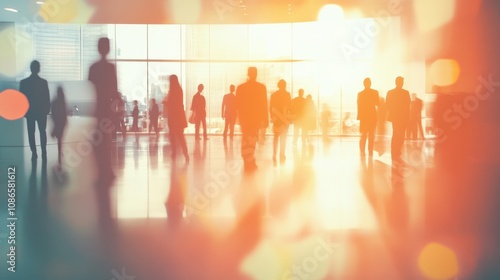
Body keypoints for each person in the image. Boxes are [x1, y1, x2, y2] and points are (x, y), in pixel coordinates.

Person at [88, 37, 119, 186]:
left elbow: (90, 89)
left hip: (98, 108)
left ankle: (102, 171)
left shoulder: (93, 68)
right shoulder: (110, 68)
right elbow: (114, 90)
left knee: (98, 141)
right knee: (106, 141)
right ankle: (107, 170)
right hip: (106, 109)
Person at [236, 67, 268, 172]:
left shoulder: (241, 88)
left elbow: (238, 106)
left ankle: (247, 159)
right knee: (253, 139)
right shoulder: (261, 88)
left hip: (245, 119)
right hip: (255, 119)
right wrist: (265, 120)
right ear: (256, 74)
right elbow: (264, 105)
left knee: (246, 139)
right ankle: (250, 159)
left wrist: (240, 118)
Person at [20, 60, 51, 161]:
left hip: (30, 112)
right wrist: (47, 109)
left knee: (31, 133)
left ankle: (34, 153)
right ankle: (44, 152)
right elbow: (47, 97)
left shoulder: (24, 83)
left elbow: (22, 99)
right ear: (38, 69)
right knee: (42, 131)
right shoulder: (43, 82)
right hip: (41, 111)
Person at [386, 76, 411, 164]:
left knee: (397, 135)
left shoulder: (391, 93)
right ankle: (396, 154)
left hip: (397, 118)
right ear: (399, 82)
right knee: (399, 136)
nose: (402, 83)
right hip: (401, 118)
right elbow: (407, 105)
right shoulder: (405, 93)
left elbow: (388, 105)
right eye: (401, 82)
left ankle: (395, 154)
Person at [166, 75, 189, 163]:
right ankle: (185, 153)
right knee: (180, 136)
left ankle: (174, 152)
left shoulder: (172, 91)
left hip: (173, 117)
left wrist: (166, 103)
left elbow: (172, 105)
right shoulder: (179, 90)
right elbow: (178, 104)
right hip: (178, 117)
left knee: (172, 135)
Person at [269, 79, 291, 163]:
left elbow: (271, 107)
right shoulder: (287, 95)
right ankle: (282, 154)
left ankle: (274, 153)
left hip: (276, 119)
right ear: (285, 85)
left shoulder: (274, 95)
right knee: (283, 137)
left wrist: (272, 117)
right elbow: (289, 107)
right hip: (284, 119)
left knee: (276, 137)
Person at [357, 77, 379, 157]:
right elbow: (378, 103)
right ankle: (370, 150)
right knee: (371, 134)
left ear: (364, 84)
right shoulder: (375, 92)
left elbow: (359, 105)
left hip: (364, 117)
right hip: (372, 116)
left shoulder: (360, 94)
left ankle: (362, 150)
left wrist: (359, 117)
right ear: (370, 83)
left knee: (364, 134)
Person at [51, 86, 68, 167]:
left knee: (59, 138)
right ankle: (60, 153)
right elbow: (64, 112)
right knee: (60, 138)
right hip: (62, 122)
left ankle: (60, 153)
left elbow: (53, 113)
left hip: (57, 122)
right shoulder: (63, 101)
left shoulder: (55, 101)